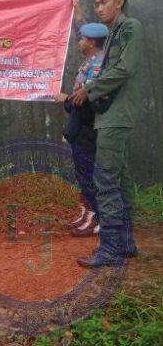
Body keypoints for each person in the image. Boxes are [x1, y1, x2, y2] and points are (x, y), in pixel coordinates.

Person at [69, 0, 143, 267]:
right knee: (119, 180)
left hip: (117, 115)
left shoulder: (130, 27)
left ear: (119, 2)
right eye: (97, 4)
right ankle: (125, 243)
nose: (99, 8)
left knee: (105, 180)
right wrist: (79, 15)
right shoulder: (111, 34)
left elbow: (125, 68)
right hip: (109, 115)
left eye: (104, 2)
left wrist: (89, 89)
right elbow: (91, 39)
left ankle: (110, 248)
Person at [56, 16, 109, 237]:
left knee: (87, 176)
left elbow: (84, 102)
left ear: (92, 42)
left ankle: (101, 219)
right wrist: (77, 13)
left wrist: (65, 100)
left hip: (87, 128)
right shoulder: (91, 60)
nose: (79, 41)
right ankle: (88, 214)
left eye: (82, 38)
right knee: (82, 174)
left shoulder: (96, 66)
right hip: (80, 127)